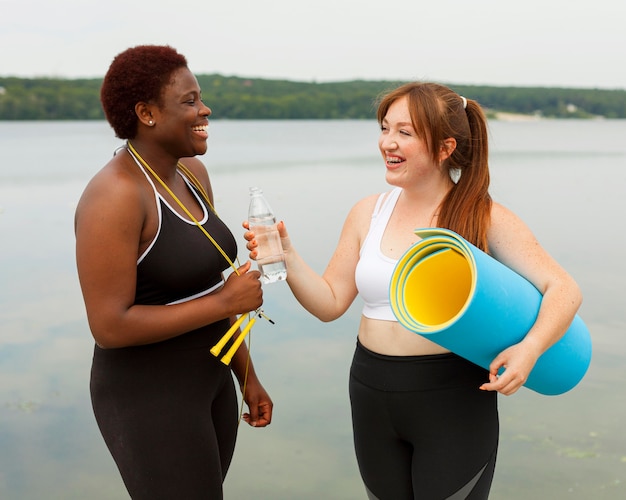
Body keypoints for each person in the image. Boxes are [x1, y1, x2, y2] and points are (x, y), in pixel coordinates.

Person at [244, 82, 582, 499]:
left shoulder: (483, 216)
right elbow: (330, 303)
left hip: (450, 398)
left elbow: (563, 288)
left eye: (405, 132)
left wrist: (529, 349)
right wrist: (288, 256)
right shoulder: (368, 212)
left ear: (444, 148)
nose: (388, 142)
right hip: (369, 391)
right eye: (385, 128)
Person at [75, 45, 273, 499]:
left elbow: (208, 289)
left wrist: (246, 377)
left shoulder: (193, 174)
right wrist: (226, 302)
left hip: (211, 381)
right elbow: (109, 325)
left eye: (199, 98)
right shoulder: (115, 196)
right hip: (148, 396)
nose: (204, 110)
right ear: (145, 113)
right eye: (188, 101)